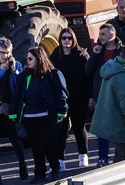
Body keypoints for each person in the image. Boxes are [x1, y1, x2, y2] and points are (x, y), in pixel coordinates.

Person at [11, 47, 69, 182]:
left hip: (47, 117)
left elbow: (62, 93)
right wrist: (14, 113)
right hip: (29, 117)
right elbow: (17, 95)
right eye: (27, 59)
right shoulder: (24, 76)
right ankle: (40, 173)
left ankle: (55, 167)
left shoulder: (53, 74)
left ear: (39, 59)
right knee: (36, 147)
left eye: (30, 59)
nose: (27, 61)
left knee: (46, 144)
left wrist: (62, 111)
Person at [0, 38, 29, 184]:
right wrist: (1, 72)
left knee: (14, 138)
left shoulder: (17, 65)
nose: (5, 56)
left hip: (10, 108)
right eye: (2, 53)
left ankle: (22, 165)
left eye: (8, 53)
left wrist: (14, 69)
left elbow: (20, 85)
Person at [50, 28, 90, 169]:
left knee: (79, 128)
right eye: (64, 38)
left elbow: (88, 77)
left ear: (74, 40)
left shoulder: (81, 55)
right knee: (61, 130)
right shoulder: (55, 56)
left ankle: (83, 155)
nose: (67, 41)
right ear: (60, 40)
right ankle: (60, 160)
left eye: (69, 38)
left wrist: (90, 96)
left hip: (79, 97)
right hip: (62, 99)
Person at [86, 23, 120, 166]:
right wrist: (95, 54)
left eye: (103, 34)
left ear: (112, 35)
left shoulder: (121, 51)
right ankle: (103, 157)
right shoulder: (98, 51)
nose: (100, 37)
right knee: (102, 128)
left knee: (119, 126)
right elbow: (88, 71)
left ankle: (121, 156)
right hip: (101, 93)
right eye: (100, 35)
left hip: (117, 94)